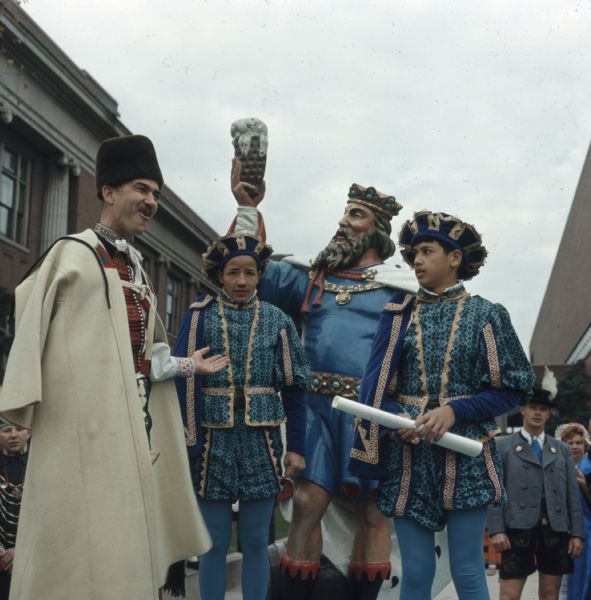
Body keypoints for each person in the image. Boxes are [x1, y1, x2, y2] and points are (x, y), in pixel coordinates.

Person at [0, 135, 224, 600]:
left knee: (120, 549)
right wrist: (19, 408)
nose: (150, 202)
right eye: (142, 189)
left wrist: (187, 366)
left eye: (157, 194)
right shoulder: (72, 255)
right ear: (108, 191)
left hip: (130, 433)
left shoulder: (135, 269)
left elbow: (140, 358)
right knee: (74, 552)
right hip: (77, 432)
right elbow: (28, 319)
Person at [229, 160, 417, 599]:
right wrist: (246, 209)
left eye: (355, 215)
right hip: (315, 410)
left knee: (373, 514)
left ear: (376, 231)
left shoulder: (403, 290)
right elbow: (244, 268)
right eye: (344, 212)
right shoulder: (311, 276)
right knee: (307, 505)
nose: (341, 222)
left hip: (371, 415)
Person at [349, 210, 535, 599]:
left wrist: (454, 411)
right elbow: (376, 386)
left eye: (427, 251)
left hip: (466, 456)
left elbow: (513, 388)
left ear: (454, 258)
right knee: (415, 572)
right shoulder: (398, 315)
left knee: (466, 570)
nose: (416, 260)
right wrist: (394, 417)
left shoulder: (487, 315)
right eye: (413, 252)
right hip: (410, 457)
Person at [173, 232, 310, 600]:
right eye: (233, 272)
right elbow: (181, 379)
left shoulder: (278, 321)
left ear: (259, 275)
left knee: (254, 540)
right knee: (214, 542)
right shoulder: (199, 316)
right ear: (220, 275)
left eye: (250, 273)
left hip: (261, 440)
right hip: (211, 441)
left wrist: (296, 446)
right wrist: (187, 441)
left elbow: (296, 389)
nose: (241, 281)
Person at [488, 389, 584, 600]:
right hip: (517, 529)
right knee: (509, 595)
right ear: (522, 409)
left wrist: (577, 533)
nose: (537, 413)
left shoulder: (562, 449)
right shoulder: (502, 445)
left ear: (549, 414)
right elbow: (495, 490)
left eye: (543, 409)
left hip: (555, 529)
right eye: (532, 407)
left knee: (550, 594)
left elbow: (572, 496)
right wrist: (496, 529)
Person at [554, 422, 591, 600]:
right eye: (570, 443)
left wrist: (585, 486)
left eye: (578, 442)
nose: (575, 447)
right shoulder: (555, 468)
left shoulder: (589, 468)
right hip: (562, 530)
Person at [0, 422, 30, 600]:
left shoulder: (40, 465)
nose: (13, 435)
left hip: (33, 555)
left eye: (19, 429)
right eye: (6, 430)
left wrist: (21, 550)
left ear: (30, 432)